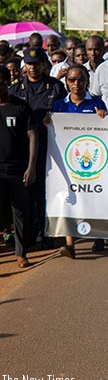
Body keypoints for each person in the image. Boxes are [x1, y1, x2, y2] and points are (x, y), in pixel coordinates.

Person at [10, 47, 67, 249]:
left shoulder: (56, 87)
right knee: (27, 193)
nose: (32, 68)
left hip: (51, 149)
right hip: (23, 151)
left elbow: (65, 113)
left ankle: (47, 231)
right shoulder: (15, 89)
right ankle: (31, 232)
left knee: (47, 192)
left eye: (36, 64)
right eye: (29, 64)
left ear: (44, 65)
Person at [49, 65, 108, 259]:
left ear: (86, 81)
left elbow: (107, 130)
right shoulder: (59, 105)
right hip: (68, 162)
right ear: (66, 82)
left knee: (94, 198)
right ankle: (70, 244)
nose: (76, 83)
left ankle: (98, 236)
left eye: (80, 79)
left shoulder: (97, 103)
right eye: (72, 80)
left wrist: (103, 118)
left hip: (94, 160)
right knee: (69, 199)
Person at [0, 66, 37, 268]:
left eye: (1, 83)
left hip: (18, 169)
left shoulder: (21, 107)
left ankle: (21, 253)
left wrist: (30, 167)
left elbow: (33, 136)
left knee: (21, 212)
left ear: (8, 83)